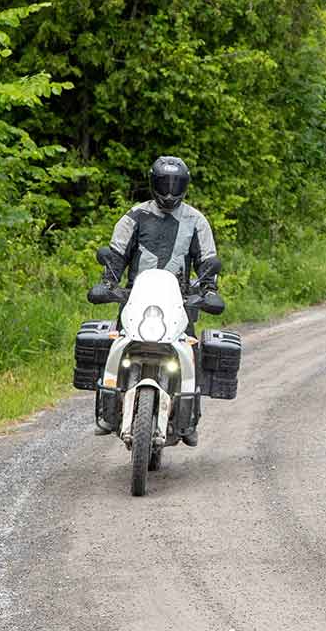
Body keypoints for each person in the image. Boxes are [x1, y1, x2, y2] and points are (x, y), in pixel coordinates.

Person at [86, 155, 224, 445]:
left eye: (176, 184)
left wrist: (209, 289)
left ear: (185, 185)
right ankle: (106, 408)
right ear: (154, 183)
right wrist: (108, 282)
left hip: (179, 302)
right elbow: (116, 255)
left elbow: (207, 260)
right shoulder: (134, 216)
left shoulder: (196, 221)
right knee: (115, 344)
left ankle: (189, 417)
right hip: (137, 298)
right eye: (164, 183)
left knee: (191, 350)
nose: (170, 190)